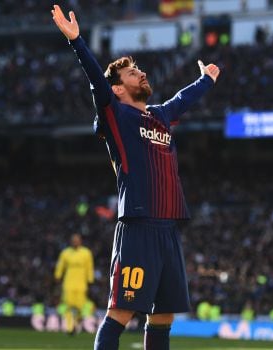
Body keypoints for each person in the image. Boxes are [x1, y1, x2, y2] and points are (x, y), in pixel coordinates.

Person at [51, 5, 220, 350]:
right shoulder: (117, 115)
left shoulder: (159, 115)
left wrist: (206, 80)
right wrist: (77, 42)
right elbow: (97, 80)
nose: (140, 74)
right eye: (131, 73)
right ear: (118, 89)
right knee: (121, 311)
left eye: (139, 69)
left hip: (169, 228)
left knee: (163, 317)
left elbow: (182, 100)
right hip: (138, 226)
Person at [54, 233, 95, 334]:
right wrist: (57, 275)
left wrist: (90, 279)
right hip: (68, 284)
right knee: (68, 306)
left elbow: (89, 267)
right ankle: (69, 328)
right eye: (73, 240)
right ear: (71, 241)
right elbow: (60, 265)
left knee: (80, 307)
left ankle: (76, 324)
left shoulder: (86, 253)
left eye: (77, 240)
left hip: (81, 284)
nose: (75, 242)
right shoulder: (65, 253)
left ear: (80, 241)